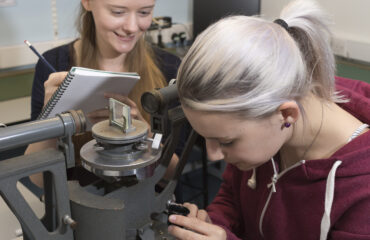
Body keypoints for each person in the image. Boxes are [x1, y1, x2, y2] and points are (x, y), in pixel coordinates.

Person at [167, 0, 370, 239]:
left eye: (226, 142)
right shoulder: (269, 120)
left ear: (286, 115)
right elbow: (232, 196)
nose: (213, 155)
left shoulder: (362, 192)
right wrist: (214, 224)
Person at [26, 0, 181, 186]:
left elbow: (174, 172)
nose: (132, 27)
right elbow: (38, 179)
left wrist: (145, 135)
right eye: (117, 12)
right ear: (87, 3)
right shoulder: (53, 64)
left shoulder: (169, 68)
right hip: (81, 202)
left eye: (144, 12)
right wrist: (51, 118)